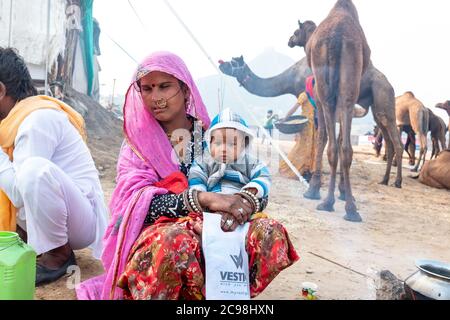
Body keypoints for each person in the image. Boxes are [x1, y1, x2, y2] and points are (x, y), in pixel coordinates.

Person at [76, 51, 298, 300]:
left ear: (185, 89)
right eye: (147, 89)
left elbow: (251, 176)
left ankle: (219, 293)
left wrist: (241, 206)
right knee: (174, 240)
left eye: (164, 86)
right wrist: (203, 200)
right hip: (161, 234)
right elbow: (133, 206)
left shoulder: (212, 135)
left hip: (215, 226)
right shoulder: (137, 144)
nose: (155, 97)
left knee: (269, 232)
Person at [0, 47, 108, 285]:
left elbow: (19, 191)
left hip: (79, 224)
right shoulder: (13, 122)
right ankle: (31, 240)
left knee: (33, 171)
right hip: (61, 216)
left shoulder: (37, 118)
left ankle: (59, 254)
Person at [188, 108, 271, 231]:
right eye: (218, 143)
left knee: (264, 228)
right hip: (212, 206)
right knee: (196, 225)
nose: (224, 149)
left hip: (242, 207)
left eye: (232, 144)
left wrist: (251, 190)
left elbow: (263, 176)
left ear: (244, 144)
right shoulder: (204, 161)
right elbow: (196, 178)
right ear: (209, 142)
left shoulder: (250, 162)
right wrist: (201, 195)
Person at [279, 77, 318, 182]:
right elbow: (295, 107)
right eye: (314, 84)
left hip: (315, 126)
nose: (316, 87)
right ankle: (295, 169)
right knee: (302, 148)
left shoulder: (317, 96)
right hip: (306, 126)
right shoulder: (304, 95)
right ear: (310, 85)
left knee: (313, 149)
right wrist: (285, 118)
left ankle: (309, 170)